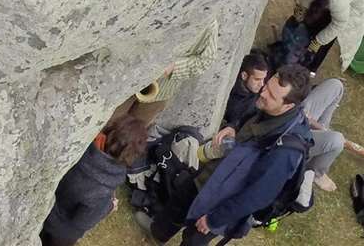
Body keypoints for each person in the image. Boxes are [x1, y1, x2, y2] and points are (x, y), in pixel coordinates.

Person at [149, 64, 312, 244]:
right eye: (266, 86)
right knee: (179, 202)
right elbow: (248, 115)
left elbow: (258, 195)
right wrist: (232, 126)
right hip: (209, 174)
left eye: (272, 95)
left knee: (194, 238)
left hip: (221, 202)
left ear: (288, 105)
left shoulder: (286, 151)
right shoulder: (267, 104)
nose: (263, 93)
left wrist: (214, 220)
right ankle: (157, 234)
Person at [39, 115, 149, 246]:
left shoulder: (83, 148)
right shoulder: (102, 189)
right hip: (61, 233)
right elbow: (82, 222)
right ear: (132, 154)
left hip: (46, 209)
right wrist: (110, 206)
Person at [299, 0, 364, 71]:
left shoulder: (338, 0)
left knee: (325, 33)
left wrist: (318, 41)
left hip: (359, 0)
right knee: (312, 20)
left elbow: (338, 25)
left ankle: (310, 68)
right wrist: (300, 7)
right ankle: (302, 43)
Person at [223, 51, 271, 129]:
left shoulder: (257, 90)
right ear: (244, 76)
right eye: (257, 79)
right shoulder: (231, 96)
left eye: (263, 79)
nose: (262, 84)